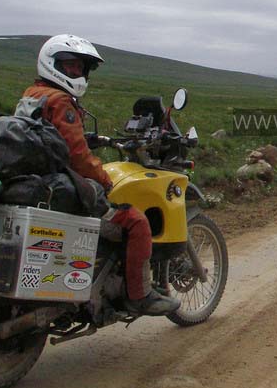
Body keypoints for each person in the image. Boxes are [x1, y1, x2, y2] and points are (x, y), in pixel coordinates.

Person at [18, 34, 180, 316]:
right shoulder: (61, 102)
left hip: (34, 181)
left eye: (80, 68)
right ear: (52, 64)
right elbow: (78, 158)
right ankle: (140, 295)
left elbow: (50, 138)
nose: (76, 72)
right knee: (135, 222)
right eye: (69, 66)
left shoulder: (33, 94)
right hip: (59, 187)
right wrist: (104, 179)